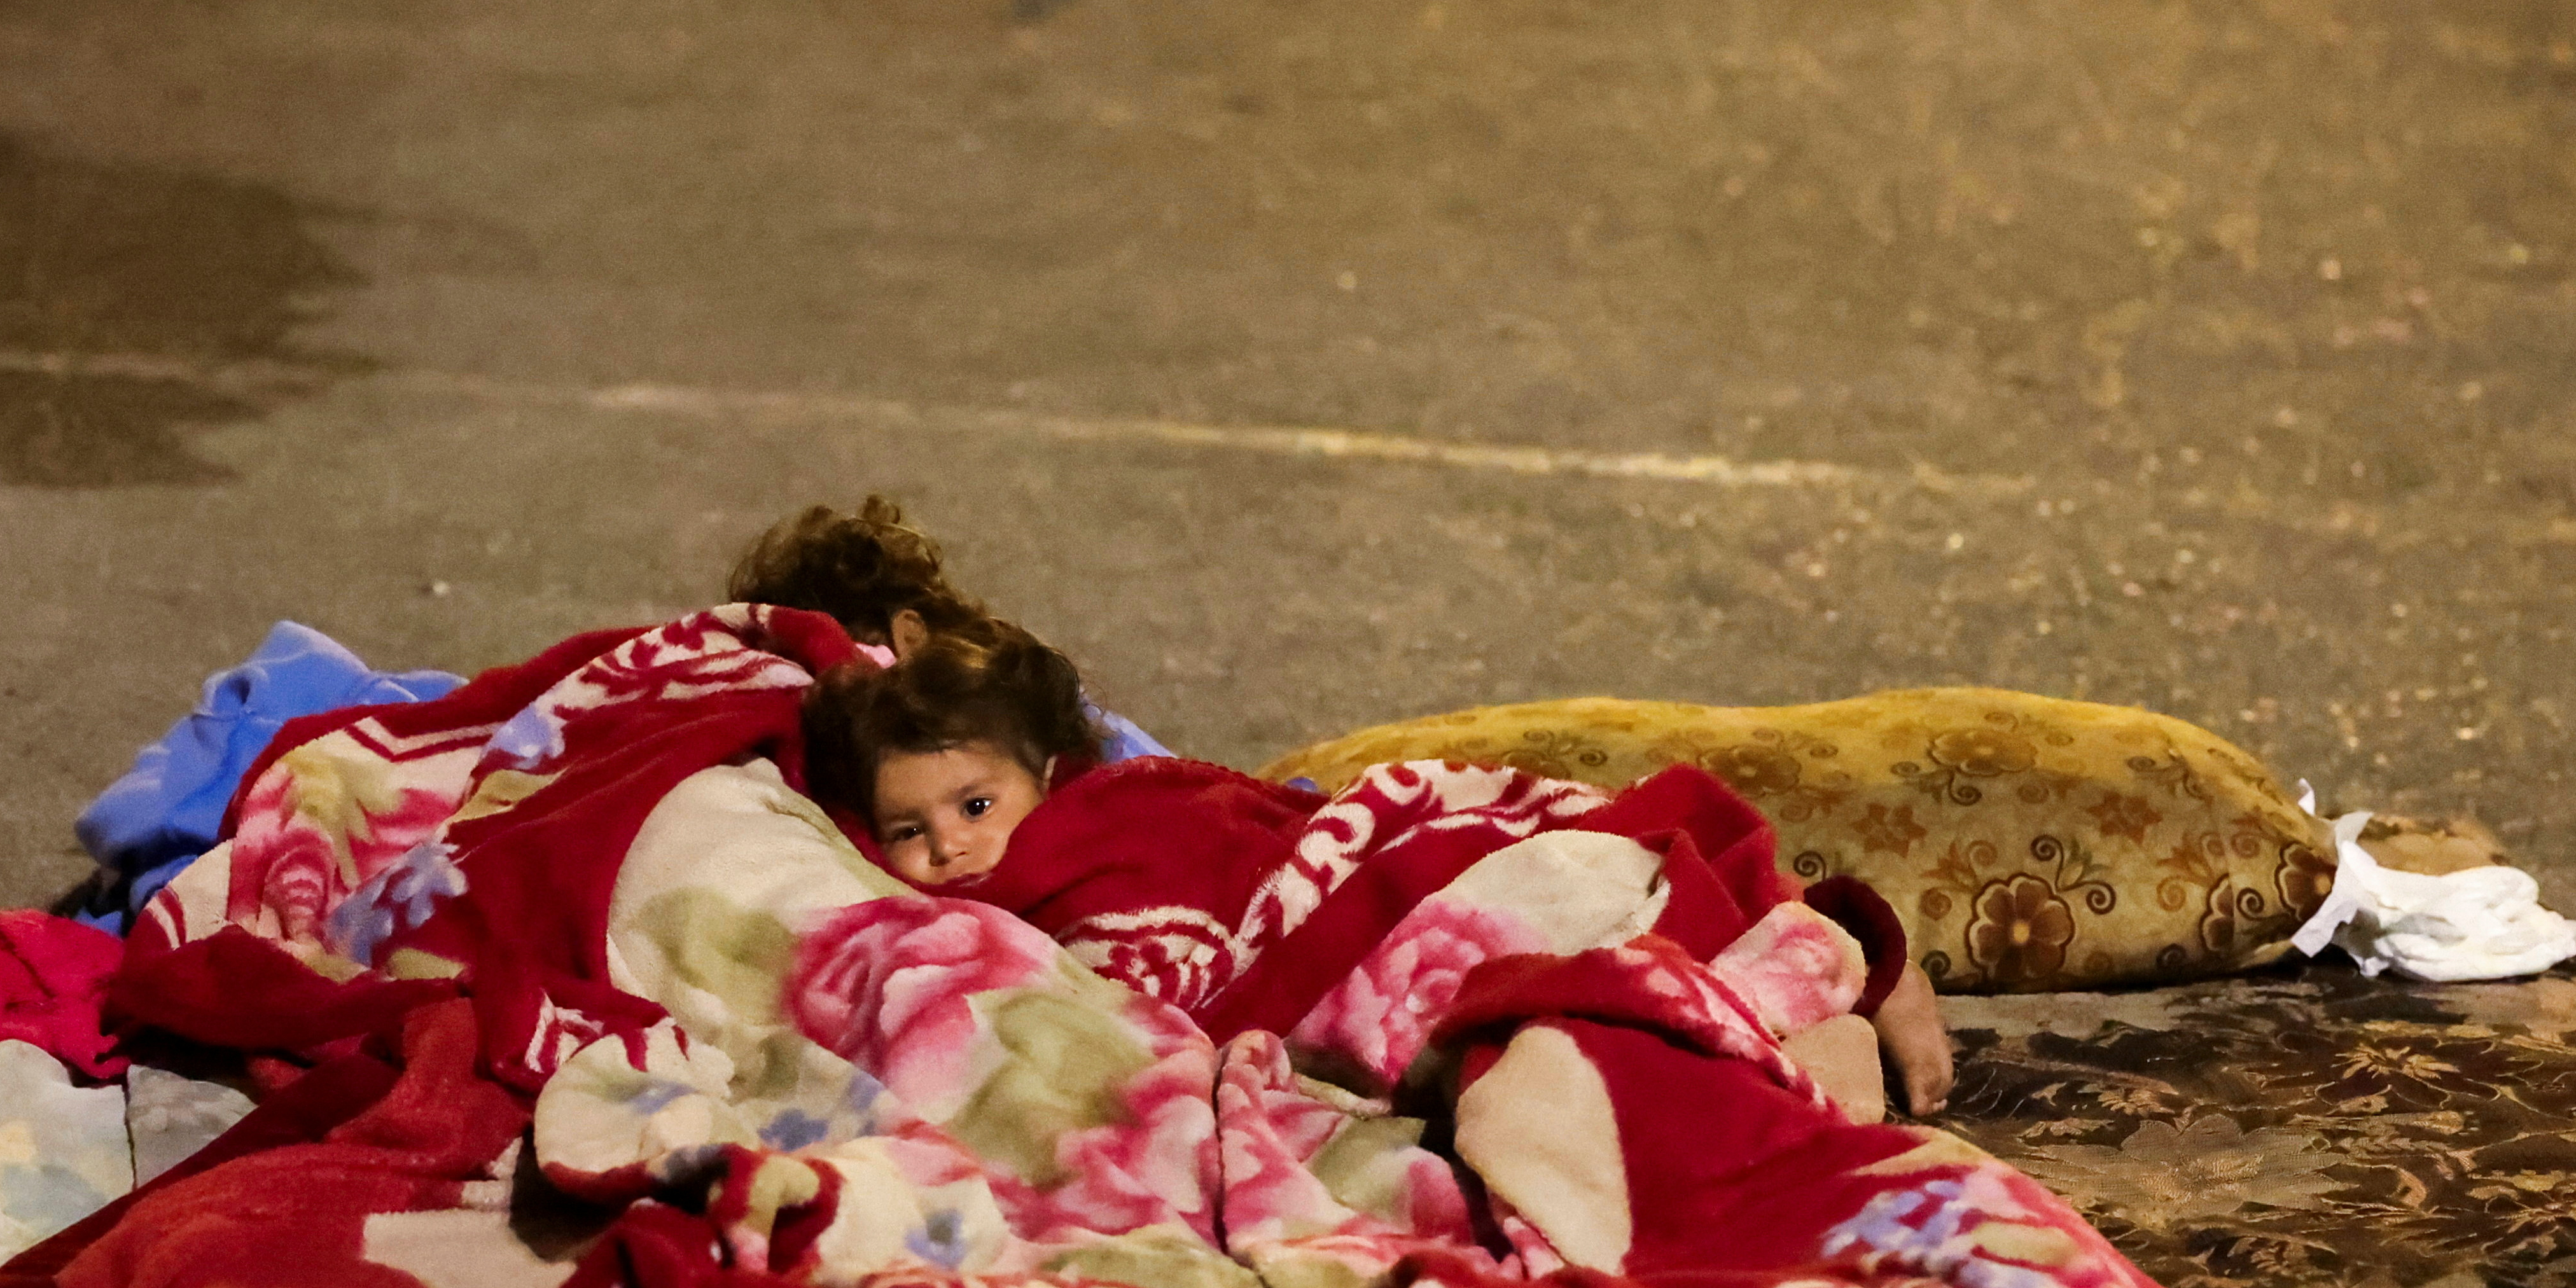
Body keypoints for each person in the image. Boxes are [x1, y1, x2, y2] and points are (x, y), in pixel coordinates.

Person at [735, 498, 1953, 1112]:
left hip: (1290, 864)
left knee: (1527, 874)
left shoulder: (1035, 731)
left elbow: (1210, 818)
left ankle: (1814, 955)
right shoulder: (894, 810)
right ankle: (1781, 992)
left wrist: (1318, 839)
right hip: (1255, 874)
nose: (945, 838)